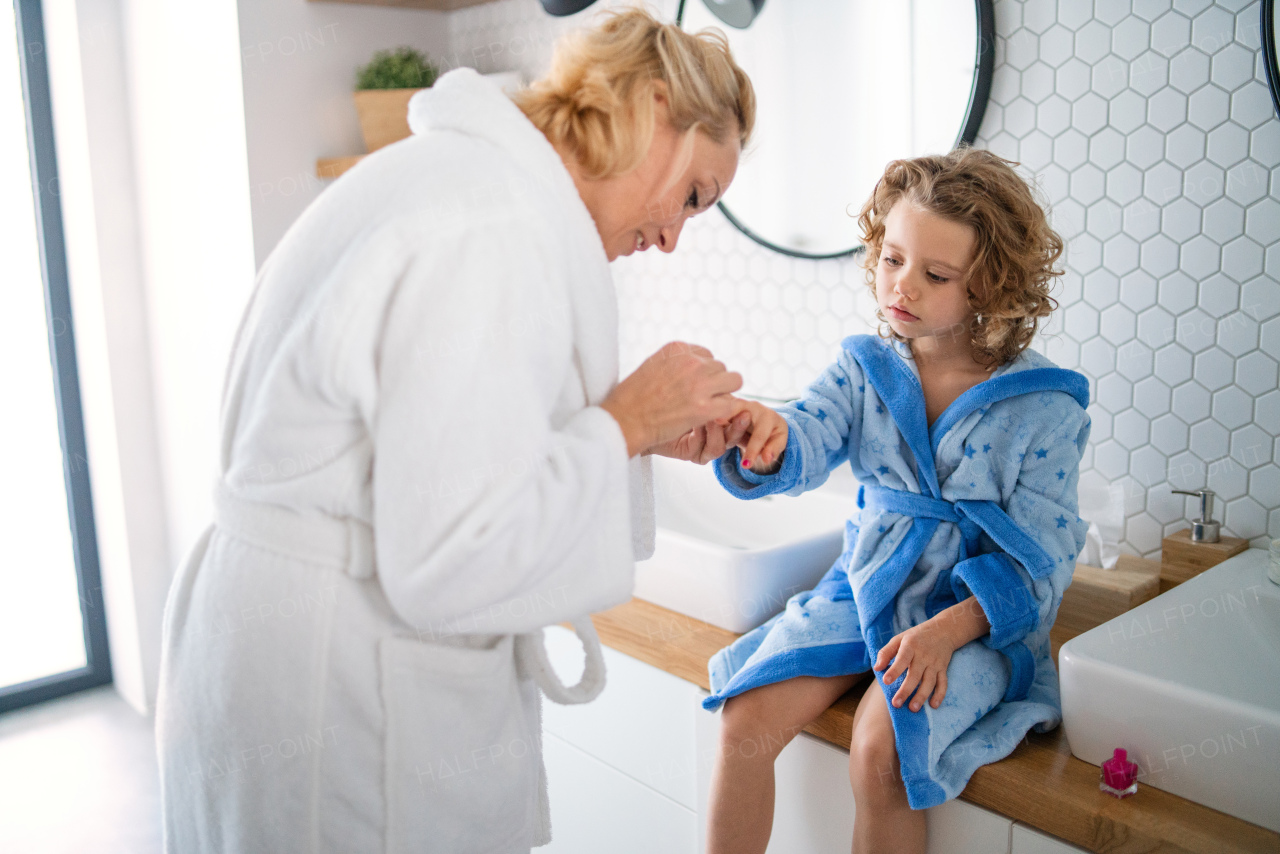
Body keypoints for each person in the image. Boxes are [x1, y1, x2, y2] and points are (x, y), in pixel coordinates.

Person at [154, 9, 755, 853]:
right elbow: (450, 553)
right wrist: (622, 421)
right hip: (340, 696)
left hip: (286, 644)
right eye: (693, 196)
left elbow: (456, 448)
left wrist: (635, 433)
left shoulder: (476, 187)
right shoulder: (495, 226)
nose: (671, 238)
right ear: (655, 109)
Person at [704, 148, 1091, 854]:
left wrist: (948, 631)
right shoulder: (866, 368)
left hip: (971, 619)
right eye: (891, 259)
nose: (901, 287)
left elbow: (1047, 556)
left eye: (935, 274)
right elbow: (807, 435)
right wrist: (768, 442)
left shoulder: (1045, 406)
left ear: (990, 287)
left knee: (882, 748)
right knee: (743, 722)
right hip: (868, 583)